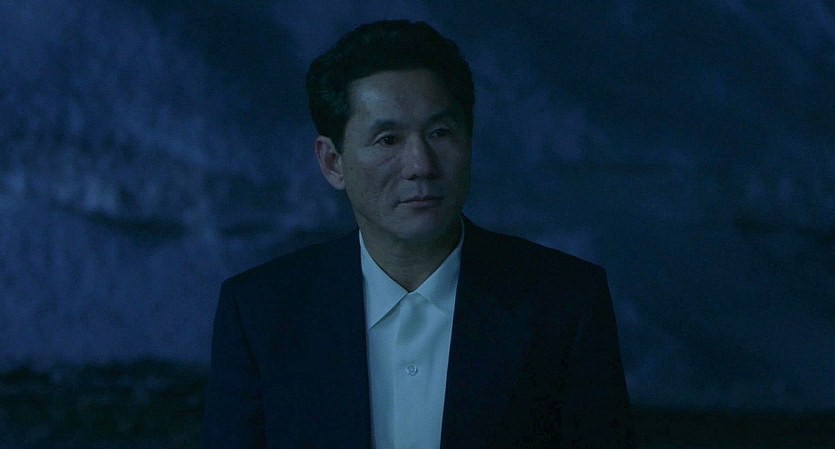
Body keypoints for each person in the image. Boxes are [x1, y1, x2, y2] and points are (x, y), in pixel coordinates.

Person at [200, 20, 634, 449]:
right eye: (388, 140)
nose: (421, 165)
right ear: (333, 163)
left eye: (440, 133)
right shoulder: (260, 312)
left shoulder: (565, 302)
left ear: (469, 142)